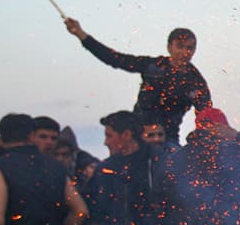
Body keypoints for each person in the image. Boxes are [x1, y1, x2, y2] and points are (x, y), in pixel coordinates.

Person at [65, 17, 212, 143]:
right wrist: (81, 34)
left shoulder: (196, 83)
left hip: (167, 140)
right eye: (180, 46)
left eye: (190, 48)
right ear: (169, 47)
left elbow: (206, 117)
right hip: (136, 138)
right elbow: (115, 59)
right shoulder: (152, 66)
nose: (185, 52)